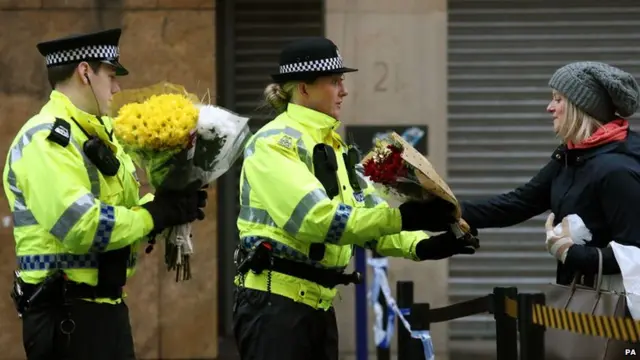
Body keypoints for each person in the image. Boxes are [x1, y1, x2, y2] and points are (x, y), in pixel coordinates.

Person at [231, 36, 476, 360]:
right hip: (275, 307)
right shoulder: (274, 144)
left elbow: (367, 214)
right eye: (334, 81)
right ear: (303, 88)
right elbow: (315, 220)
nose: (344, 91)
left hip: (316, 305)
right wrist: (405, 217)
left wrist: (423, 245)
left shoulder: (335, 146)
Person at [3, 28, 207, 360]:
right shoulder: (46, 140)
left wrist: (165, 206)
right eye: (111, 75)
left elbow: (118, 214)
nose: (116, 87)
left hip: (105, 310)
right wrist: (151, 215)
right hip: (66, 317)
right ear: (85, 72)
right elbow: (81, 224)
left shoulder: (101, 134)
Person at [421, 61, 640, 288]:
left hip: (618, 314)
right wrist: (440, 211)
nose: (549, 107)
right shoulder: (572, 158)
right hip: (582, 301)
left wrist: (572, 253)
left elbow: (635, 255)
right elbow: (516, 204)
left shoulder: (618, 170)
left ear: (581, 107)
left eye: (558, 99)